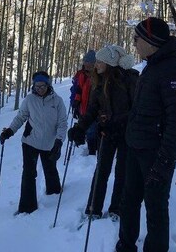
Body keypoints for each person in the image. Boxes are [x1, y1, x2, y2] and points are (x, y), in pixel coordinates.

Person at [115, 17, 176, 252]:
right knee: (128, 202)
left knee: (155, 209)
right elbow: (141, 111)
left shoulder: (172, 70)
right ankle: (126, 246)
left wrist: (165, 161)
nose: (133, 42)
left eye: (137, 38)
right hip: (135, 148)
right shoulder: (152, 66)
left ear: (151, 41)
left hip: (155, 154)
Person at [68, 45, 138, 221]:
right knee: (101, 171)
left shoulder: (130, 80)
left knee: (122, 172)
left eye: (99, 61)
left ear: (110, 63)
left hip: (126, 134)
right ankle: (93, 209)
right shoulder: (97, 82)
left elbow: (137, 108)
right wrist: (80, 128)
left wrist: (120, 121)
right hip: (106, 133)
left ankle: (117, 208)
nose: (95, 64)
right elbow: (92, 110)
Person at [0, 71, 68, 214]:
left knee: (50, 169)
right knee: (29, 173)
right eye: (37, 86)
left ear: (48, 85)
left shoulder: (57, 101)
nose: (39, 89)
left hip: (50, 143)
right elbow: (20, 117)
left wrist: (59, 141)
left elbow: (62, 123)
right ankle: (27, 206)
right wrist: (9, 131)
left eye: (42, 86)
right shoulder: (30, 100)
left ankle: (54, 193)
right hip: (30, 141)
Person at [70, 50, 98, 155]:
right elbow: (79, 89)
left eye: (88, 62)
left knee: (92, 129)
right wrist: (76, 102)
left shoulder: (97, 76)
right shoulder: (82, 75)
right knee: (87, 129)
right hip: (83, 108)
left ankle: (92, 151)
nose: (85, 64)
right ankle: (90, 148)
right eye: (85, 61)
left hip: (93, 109)